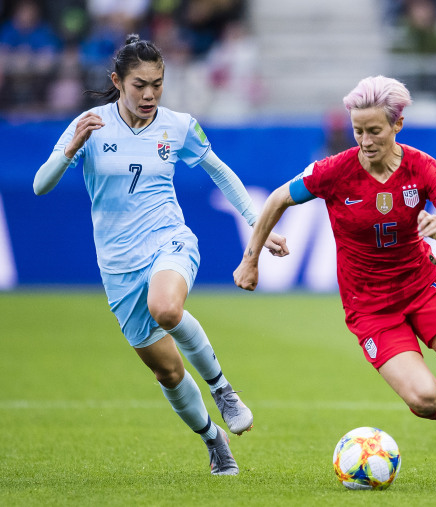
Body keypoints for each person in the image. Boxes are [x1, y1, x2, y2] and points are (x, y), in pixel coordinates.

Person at [234, 75, 436, 488]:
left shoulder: (422, 168)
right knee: (424, 400)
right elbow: (278, 197)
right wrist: (251, 261)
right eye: (358, 131)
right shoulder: (333, 171)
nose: (365, 141)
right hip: (370, 307)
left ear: (396, 126)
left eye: (374, 131)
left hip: (424, 287)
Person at [33, 34, 288, 475]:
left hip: (168, 238)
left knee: (167, 308)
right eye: (139, 85)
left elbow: (220, 172)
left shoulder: (179, 126)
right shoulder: (90, 125)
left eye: (157, 83)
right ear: (117, 81)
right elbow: (40, 184)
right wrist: (71, 149)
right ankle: (213, 438)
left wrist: (257, 225)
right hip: (117, 264)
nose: (149, 94)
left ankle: (222, 388)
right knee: (167, 373)